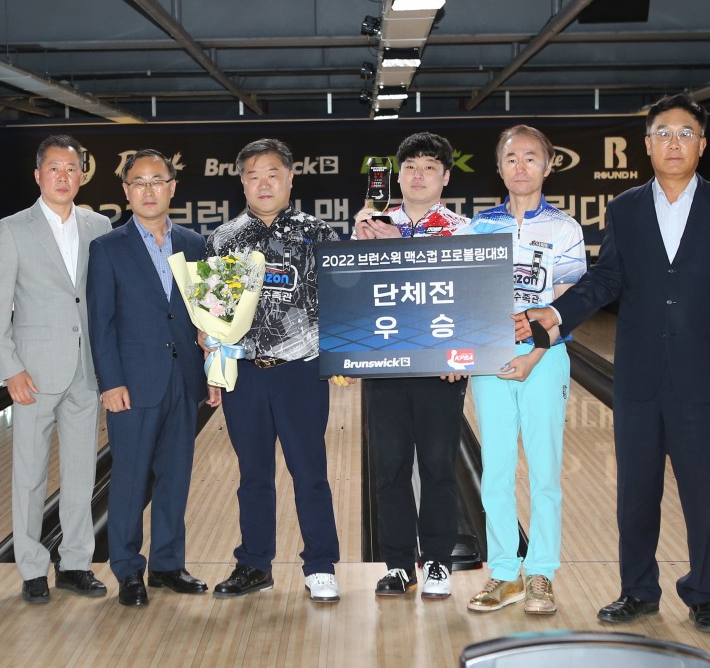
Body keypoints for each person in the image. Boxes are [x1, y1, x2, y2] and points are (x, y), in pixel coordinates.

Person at [523, 94, 710, 633]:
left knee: (704, 493)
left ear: (702, 145)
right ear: (647, 144)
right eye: (663, 133)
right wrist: (556, 314)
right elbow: (607, 278)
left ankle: (704, 594)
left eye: (685, 134)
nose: (673, 143)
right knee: (636, 493)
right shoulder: (626, 208)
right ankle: (637, 590)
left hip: (701, 374)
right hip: (638, 374)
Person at [206, 138, 342, 603]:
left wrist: (337, 357)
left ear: (289, 178)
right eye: (253, 176)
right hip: (244, 374)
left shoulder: (318, 234)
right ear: (242, 182)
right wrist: (211, 351)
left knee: (310, 472)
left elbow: (338, 305)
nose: (263, 184)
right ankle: (254, 564)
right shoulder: (224, 239)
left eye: (272, 174)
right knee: (253, 475)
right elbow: (215, 313)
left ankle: (320, 565)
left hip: (300, 373)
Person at [464, 126, 587, 615]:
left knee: (544, 472)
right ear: (499, 167)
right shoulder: (479, 227)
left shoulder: (564, 228)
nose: (520, 166)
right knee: (495, 470)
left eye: (531, 157)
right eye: (511, 158)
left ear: (548, 165)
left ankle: (541, 574)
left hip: (546, 357)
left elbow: (569, 302)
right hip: (490, 358)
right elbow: (466, 298)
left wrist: (535, 347)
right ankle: (503, 573)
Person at [0, 134, 111, 603]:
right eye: (54, 168)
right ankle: (33, 569)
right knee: (30, 475)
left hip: (86, 368)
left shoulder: (99, 225)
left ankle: (76, 563)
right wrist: (10, 368)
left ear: (82, 176)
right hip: (34, 373)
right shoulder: (12, 228)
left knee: (81, 474)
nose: (63, 176)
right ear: (38, 175)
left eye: (72, 168)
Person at [86, 149, 210, 607]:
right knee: (130, 480)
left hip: (183, 379)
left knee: (175, 478)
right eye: (138, 182)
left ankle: (167, 565)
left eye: (157, 180)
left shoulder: (195, 244)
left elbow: (206, 316)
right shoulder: (108, 248)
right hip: (133, 384)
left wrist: (211, 368)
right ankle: (128, 570)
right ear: (126, 191)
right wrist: (110, 382)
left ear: (172, 187)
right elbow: (101, 324)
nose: (148, 189)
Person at [351, 132, 470, 600]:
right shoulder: (371, 224)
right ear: (396, 176)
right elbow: (353, 292)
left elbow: (473, 296)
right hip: (386, 364)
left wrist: (463, 352)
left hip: (441, 367)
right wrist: (361, 243)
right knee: (390, 468)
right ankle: (399, 565)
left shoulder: (463, 230)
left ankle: (438, 560)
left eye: (429, 167)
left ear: (446, 177)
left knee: (439, 466)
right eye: (411, 167)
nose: (419, 175)